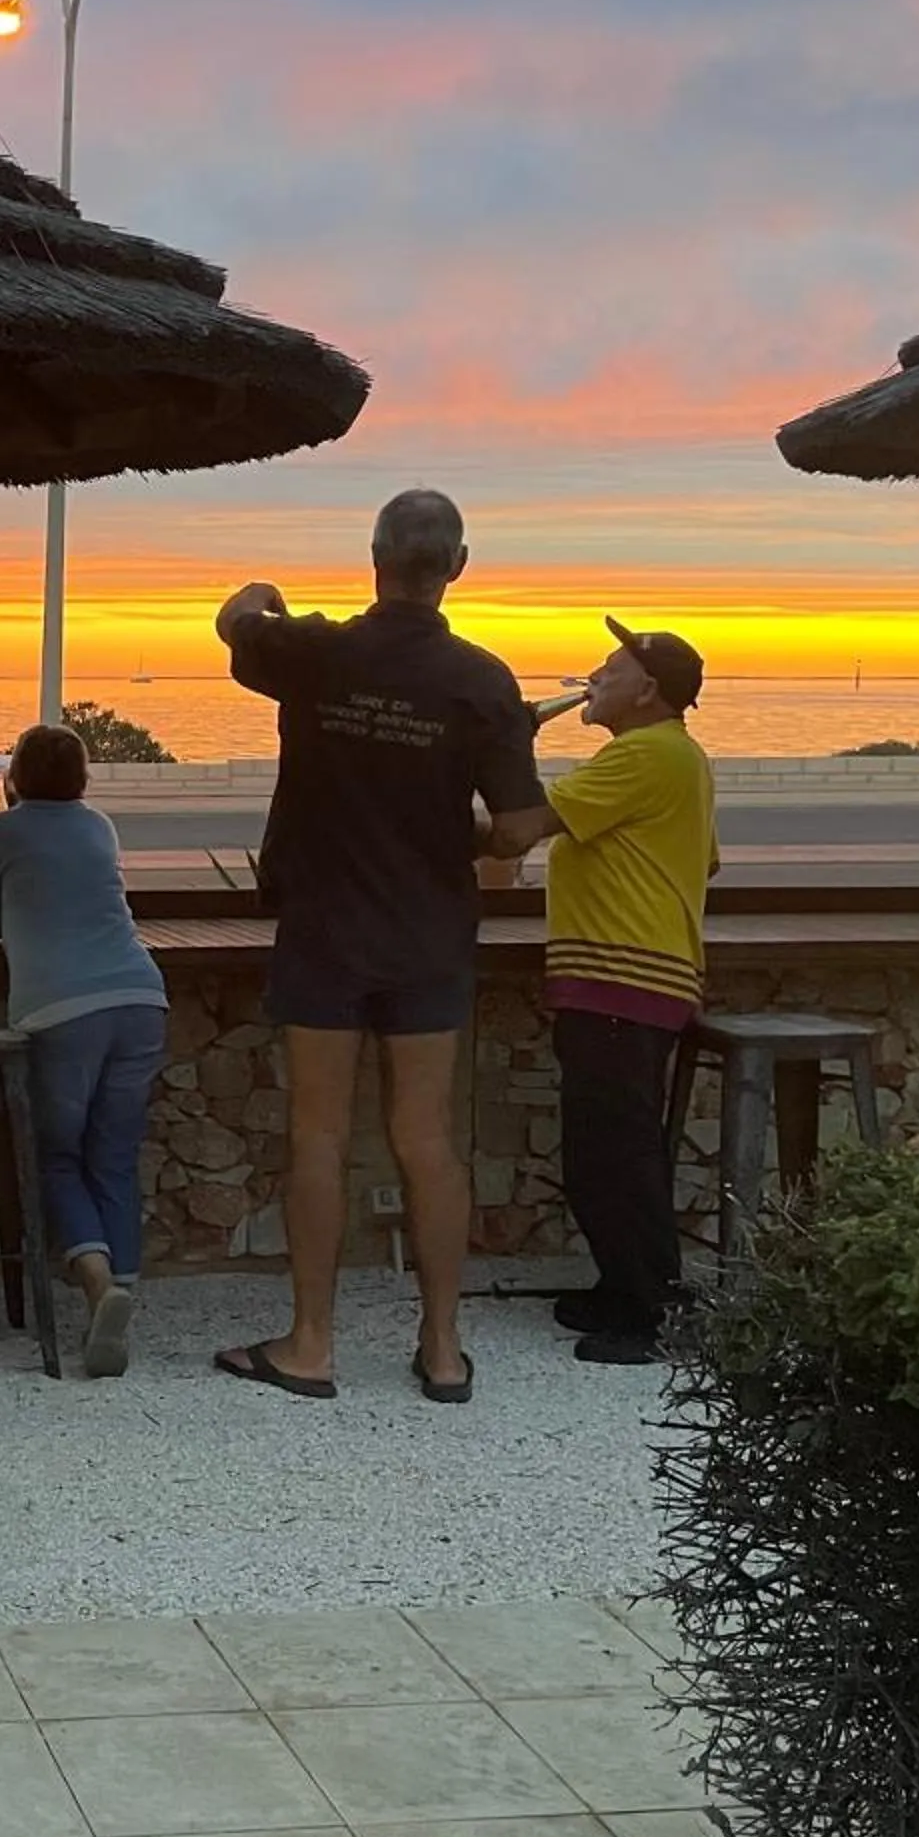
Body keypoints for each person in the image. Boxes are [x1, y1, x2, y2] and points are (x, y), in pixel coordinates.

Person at [212, 488, 546, 1402]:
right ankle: (442, 1351)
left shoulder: (314, 653)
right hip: (429, 934)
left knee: (317, 1135)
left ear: (374, 557)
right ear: (459, 566)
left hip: (323, 927)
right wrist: (452, 828)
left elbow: (235, 618)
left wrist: (266, 590)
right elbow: (518, 830)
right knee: (427, 1142)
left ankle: (311, 1346)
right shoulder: (482, 681)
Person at [485, 618, 717, 1365]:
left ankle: (650, 1314)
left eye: (608, 668)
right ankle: (623, 1287)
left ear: (646, 690)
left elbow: (519, 829)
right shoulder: (679, 756)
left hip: (623, 978)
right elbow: (702, 863)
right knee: (610, 1148)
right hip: (637, 977)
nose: (591, 678)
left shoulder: (641, 755)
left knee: (614, 1155)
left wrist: (507, 746)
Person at [0, 723, 169, 1378]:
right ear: (82, 778)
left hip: (62, 1009)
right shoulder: (100, 827)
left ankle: (97, 1286)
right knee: (112, 1158)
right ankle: (118, 1302)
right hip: (140, 997)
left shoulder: (1, 831)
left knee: (57, 1156)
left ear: (15, 776)